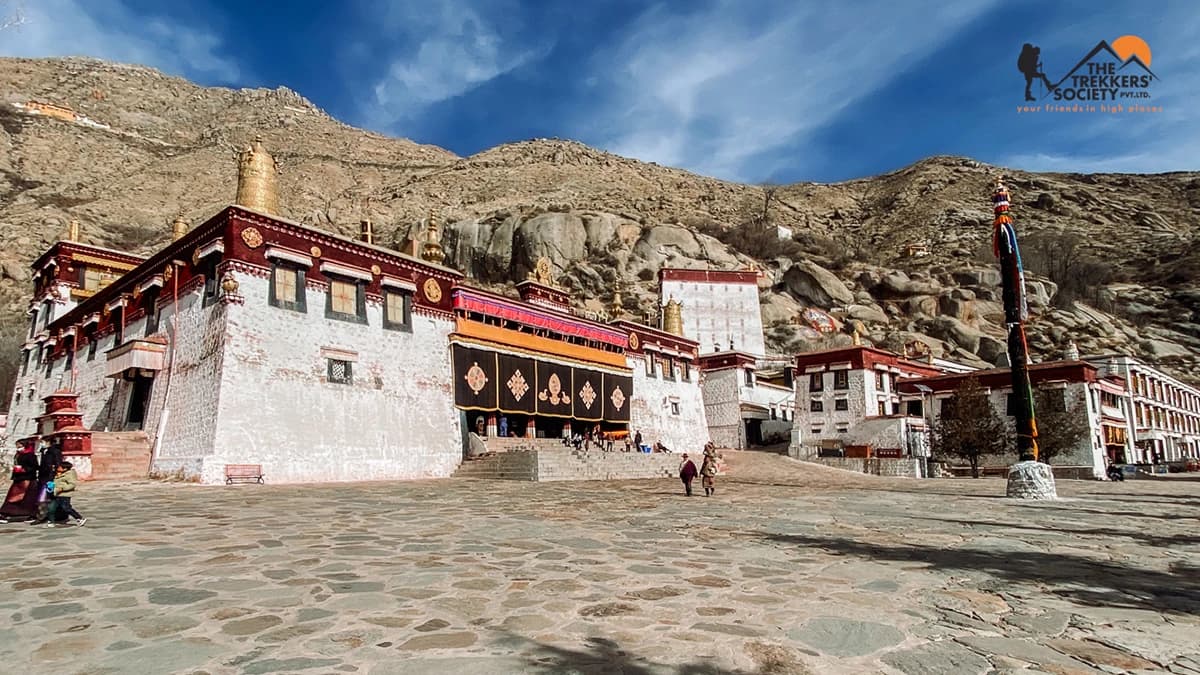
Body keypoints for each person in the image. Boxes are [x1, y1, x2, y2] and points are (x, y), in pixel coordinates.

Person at [1, 443, 41, 523]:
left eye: (20, 446)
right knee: (12, 497)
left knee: (29, 499)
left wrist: (24, 470)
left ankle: (32, 515)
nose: (18, 448)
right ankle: (5, 514)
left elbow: (35, 467)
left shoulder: (31, 455)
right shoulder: (18, 455)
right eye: (17, 446)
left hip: (28, 480)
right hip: (18, 479)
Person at [43, 461, 85, 527]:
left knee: (66, 508)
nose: (58, 468)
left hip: (64, 494)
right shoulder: (57, 473)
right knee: (51, 508)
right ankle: (51, 521)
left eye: (60, 467)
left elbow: (72, 484)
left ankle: (79, 518)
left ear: (65, 469)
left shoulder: (69, 475)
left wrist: (62, 488)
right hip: (55, 494)